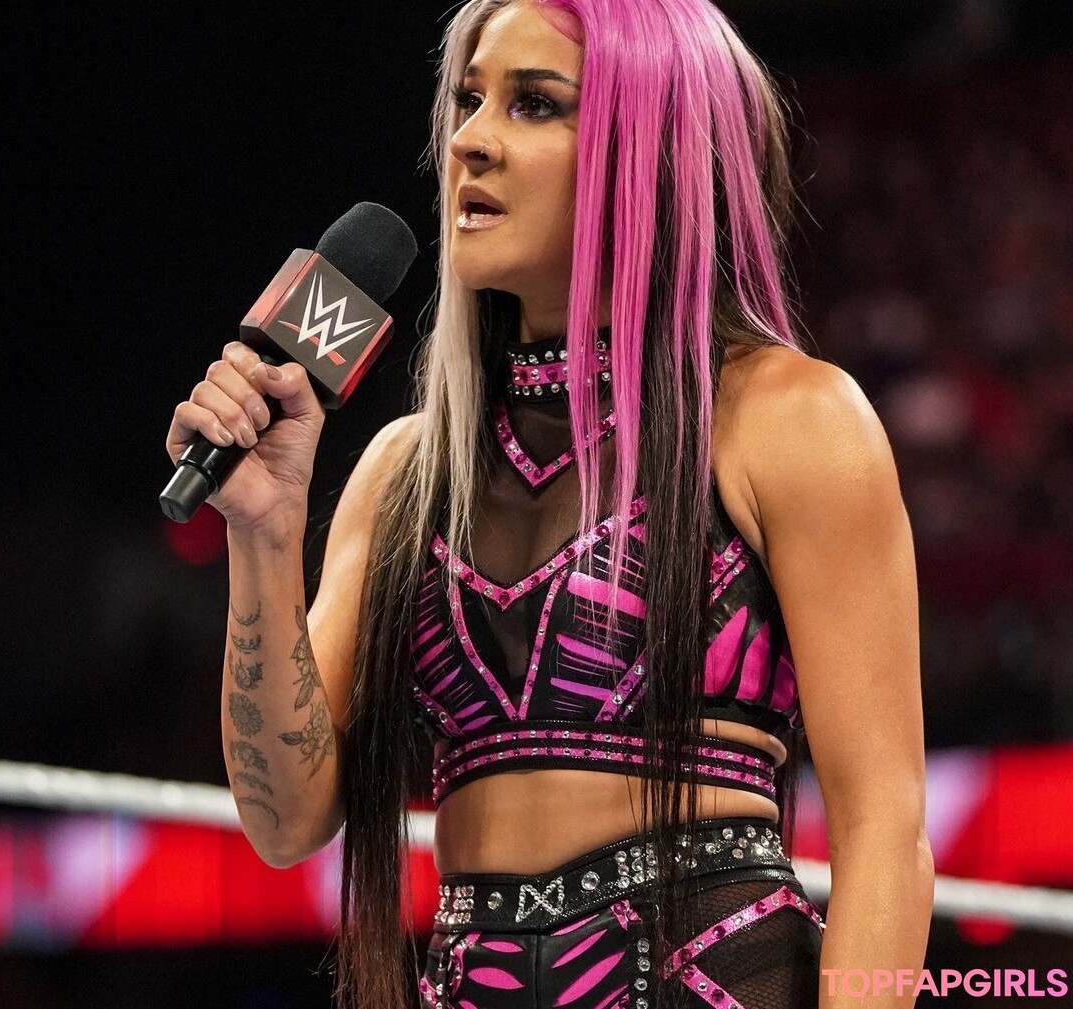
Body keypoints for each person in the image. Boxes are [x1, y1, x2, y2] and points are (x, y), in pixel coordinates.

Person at [166, 1, 934, 1006]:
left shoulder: (788, 418)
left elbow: (886, 832)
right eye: (468, 100)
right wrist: (265, 532)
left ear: (652, 147)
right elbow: (284, 822)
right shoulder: (407, 473)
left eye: (533, 104)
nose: (470, 142)